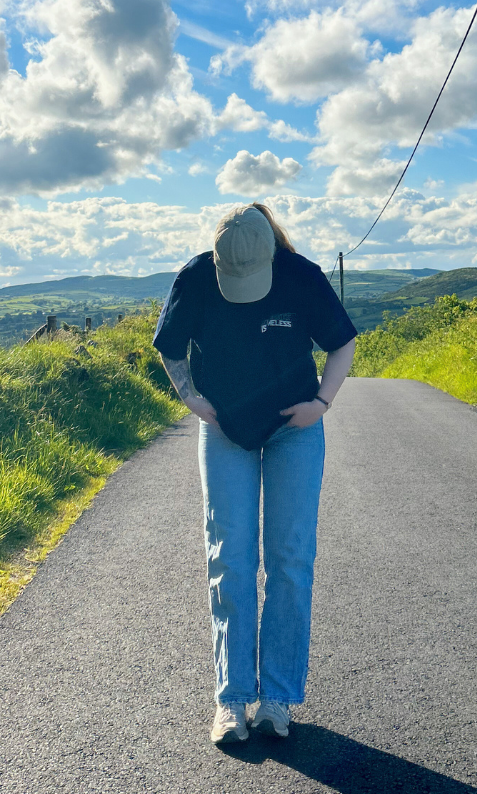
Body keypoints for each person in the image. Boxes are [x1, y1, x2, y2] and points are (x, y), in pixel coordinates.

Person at [153, 203, 357, 744]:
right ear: (216, 260)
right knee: (230, 555)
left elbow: (342, 343)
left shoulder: (302, 276)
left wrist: (322, 402)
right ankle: (232, 699)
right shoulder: (196, 279)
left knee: (290, 558)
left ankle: (277, 700)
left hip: (296, 427)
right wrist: (191, 398)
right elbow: (170, 348)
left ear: (270, 255)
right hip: (224, 428)